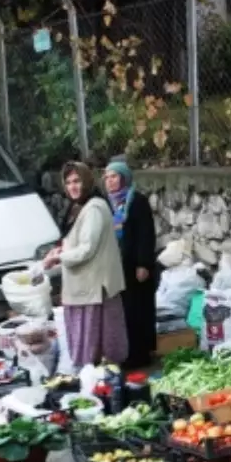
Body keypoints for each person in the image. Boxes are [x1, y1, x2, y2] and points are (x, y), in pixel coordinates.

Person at [43, 162, 128, 367]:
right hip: (85, 287)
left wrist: (58, 258)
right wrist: (61, 250)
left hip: (94, 289)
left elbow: (87, 248)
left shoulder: (94, 208)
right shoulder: (79, 206)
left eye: (77, 181)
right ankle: (94, 381)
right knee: (92, 345)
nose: (73, 186)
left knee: (96, 346)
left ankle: (99, 384)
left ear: (87, 181)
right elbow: (77, 240)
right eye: (69, 182)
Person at [103, 158, 157, 369]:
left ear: (124, 178)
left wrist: (144, 263)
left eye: (114, 176)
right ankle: (123, 353)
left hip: (135, 268)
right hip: (116, 267)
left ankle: (140, 355)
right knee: (121, 311)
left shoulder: (137, 202)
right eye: (107, 177)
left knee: (138, 312)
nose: (110, 181)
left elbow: (146, 234)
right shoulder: (106, 203)